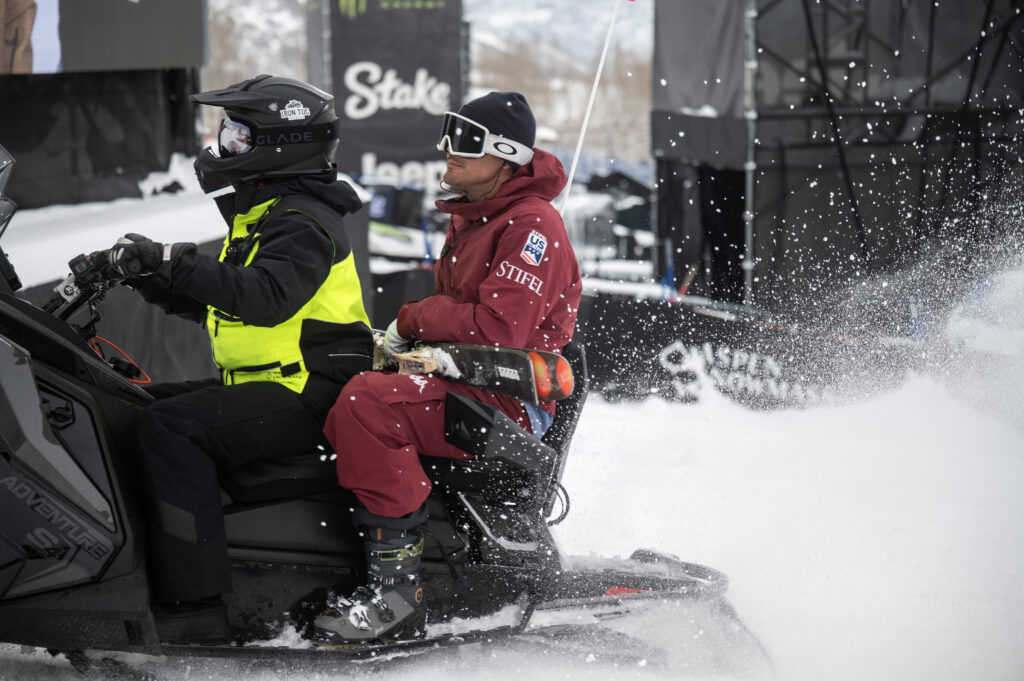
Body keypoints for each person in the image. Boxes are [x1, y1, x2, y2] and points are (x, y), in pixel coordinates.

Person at [97, 74, 373, 645]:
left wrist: (177, 264)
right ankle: (126, 570)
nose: (222, 146)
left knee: (170, 429)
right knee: (123, 403)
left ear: (281, 143)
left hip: (313, 391)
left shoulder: (303, 221)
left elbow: (266, 299)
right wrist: (152, 278)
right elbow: (231, 306)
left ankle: (195, 607)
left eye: (237, 137)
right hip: (273, 382)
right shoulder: (266, 214)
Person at [312, 91, 582, 644]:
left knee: (369, 403)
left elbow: (499, 330)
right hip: (467, 383)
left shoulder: (531, 227)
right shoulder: (481, 217)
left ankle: (396, 592)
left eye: (463, 142)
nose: (447, 154)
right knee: (341, 383)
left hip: (507, 402)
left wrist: (413, 319)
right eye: (446, 137)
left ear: (504, 156)